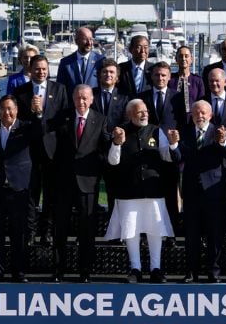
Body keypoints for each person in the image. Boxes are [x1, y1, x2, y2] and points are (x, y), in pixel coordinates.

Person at [106, 99, 176, 283]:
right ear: (130, 114)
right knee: (131, 230)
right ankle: (135, 268)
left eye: (145, 111)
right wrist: (116, 143)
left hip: (153, 190)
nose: (144, 114)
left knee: (155, 230)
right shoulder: (120, 131)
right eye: (139, 112)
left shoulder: (156, 130)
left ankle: (156, 268)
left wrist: (173, 145)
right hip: (129, 190)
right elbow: (113, 161)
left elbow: (167, 157)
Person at [0, 96, 41, 283]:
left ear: (17, 110)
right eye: (4, 109)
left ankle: (19, 271)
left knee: (19, 233)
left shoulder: (27, 127)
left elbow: (40, 133)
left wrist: (38, 114)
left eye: (11, 109)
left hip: (19, 189)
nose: (7, 113)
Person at [50, 84, 109, 282]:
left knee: (87, 230)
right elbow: (52, 145)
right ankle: (59, 270)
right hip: (63, 182)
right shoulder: (62, 118)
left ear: (92, 99)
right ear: (73, 99)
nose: (81, 102)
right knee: (60, 229)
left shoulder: (100, 120)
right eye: (78, 98)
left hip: (88, 183)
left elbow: (103, 149)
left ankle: (85, 271)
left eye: (85, 98)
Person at [171, 100, 226, 283]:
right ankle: (191, 272)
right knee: (192, 235)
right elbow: (178, 158)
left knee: (215, 235)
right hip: (191, 192)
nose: (199, 115)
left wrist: (222, 141)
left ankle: (214, 272)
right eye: (196, 112)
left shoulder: (219, 131)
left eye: (203, 113)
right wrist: (174, 145)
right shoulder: (185, 132)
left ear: (210, 115)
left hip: (213, 193)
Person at [13, 55, 69, 247]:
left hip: (53, 152)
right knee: (30, 195)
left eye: (44, 69)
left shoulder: (59, 89)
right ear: (30, 69)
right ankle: (30, 233)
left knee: (51, 195)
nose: (41, 72)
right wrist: (35, 116)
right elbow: (17, 122)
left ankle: (47, 233)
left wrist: (41, 117)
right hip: (29, 151)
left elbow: (63, 120)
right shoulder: (21, 92)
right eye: (37, 69)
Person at [56, 27, 103, 95]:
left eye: (91, 39)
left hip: (94, 104)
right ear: (76, 41)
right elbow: (60, 89)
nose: (89, 43)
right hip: (72, 104)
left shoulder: (100, 60)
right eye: (85, 39)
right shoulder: (65, 63)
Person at [93, 59, 129, 129]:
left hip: (115, 136)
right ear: (99, 75)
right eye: (105, 72)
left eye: (111, 72)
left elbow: (126, 120)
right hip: (94, 137)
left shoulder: (124, 97)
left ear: (117, 77)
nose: (108, 74)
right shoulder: (91, 94)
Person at [171, 45, 205, 116]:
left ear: (191, 59)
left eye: (186, 56)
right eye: (180, 56)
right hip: (173, 118)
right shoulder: (170, 79)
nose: (183, 59)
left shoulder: (197, 80)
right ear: (176, 59)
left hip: (192, 120)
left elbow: (201, 102)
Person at [117, 34, 152, 99]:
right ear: (131, 49)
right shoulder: (121, 68)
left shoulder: (153, 69)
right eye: (139, 47)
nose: (143, 51)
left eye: (146, 47)